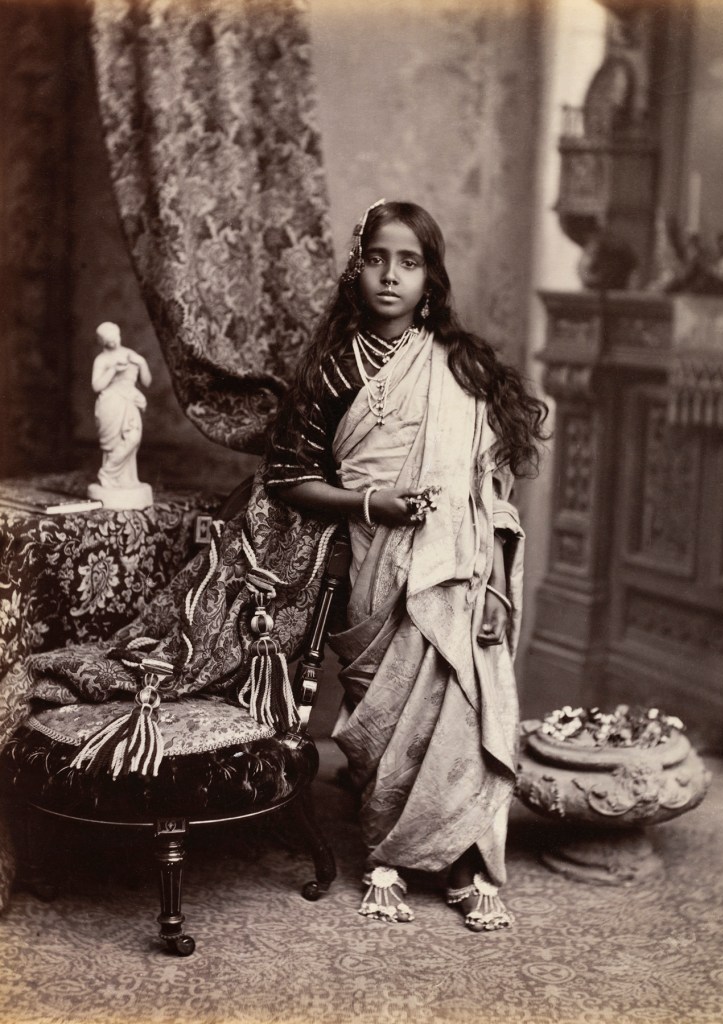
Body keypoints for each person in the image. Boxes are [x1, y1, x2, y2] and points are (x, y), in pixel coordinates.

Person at [264, 200, 548, 932]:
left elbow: (490, 492)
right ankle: (387, 847)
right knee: (383, 713)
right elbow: (289, 477)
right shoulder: (332, 371)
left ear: (431, 277)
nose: (391, 275)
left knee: (462, 697)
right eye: (377, 259)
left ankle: (464, 860)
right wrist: (373, 505)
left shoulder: (463, 366)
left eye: (409, 261)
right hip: (371, 564)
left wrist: (490, 587)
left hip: (458, 568)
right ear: (357, 268)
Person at [88, 321, 153, 509]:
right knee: (114, 443)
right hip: (110, 403)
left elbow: (147, 382)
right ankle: (109, 476)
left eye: (115, 338)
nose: (114, 343)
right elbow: (96, 386)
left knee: (133, 438)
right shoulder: (101, 360)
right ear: (102, 342)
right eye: (108, 341)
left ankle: (113, 475)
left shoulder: (130, 354)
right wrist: (113, 370)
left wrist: (142, 362)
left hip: (129, 402)